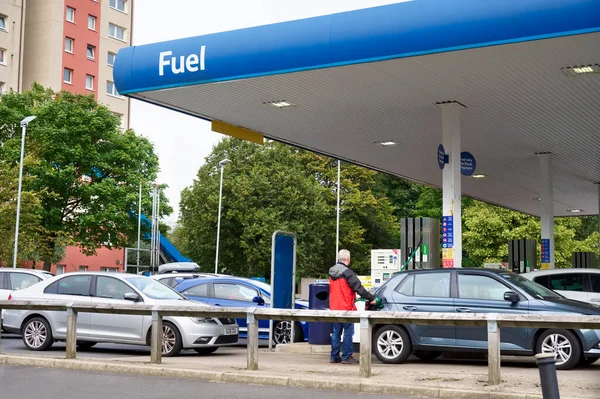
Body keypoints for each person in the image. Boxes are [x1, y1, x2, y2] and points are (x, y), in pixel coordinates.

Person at [329, 249, 377, 364]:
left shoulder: (331, 272)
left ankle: (334, 356)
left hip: (334, 307)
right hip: (346, 308)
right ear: (348, 260)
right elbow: (359, 288)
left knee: (336, 332)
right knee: (348, 332)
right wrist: (372, 298)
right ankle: (346, 356)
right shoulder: (348, 273)